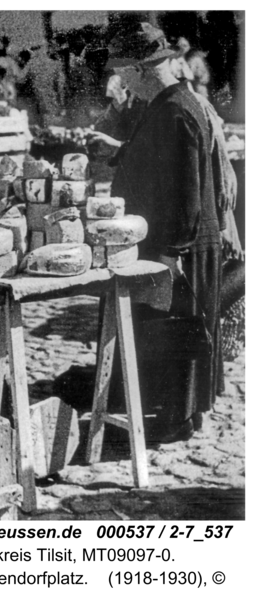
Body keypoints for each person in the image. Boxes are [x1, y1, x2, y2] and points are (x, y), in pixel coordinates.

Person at [108, 23, 224, 442]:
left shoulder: (175, 109)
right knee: (181, 329)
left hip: (180, 243)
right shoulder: (170, 103)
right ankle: (183, 413)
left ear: (140, 68)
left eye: (124, 74)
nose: (123, 85)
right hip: (181, 239)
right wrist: (121, 154)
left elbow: (186, 192)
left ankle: (176, 420)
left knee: (177, 329)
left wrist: (171, 255)